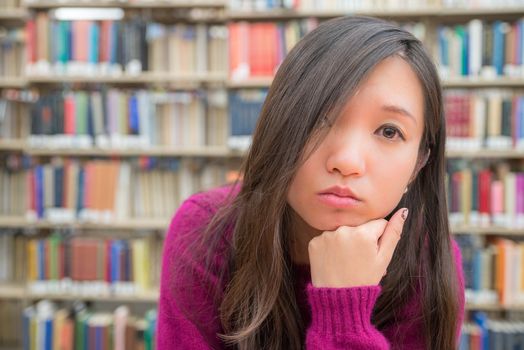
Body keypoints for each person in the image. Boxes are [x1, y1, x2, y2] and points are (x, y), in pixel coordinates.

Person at [157, 15, 465, 350]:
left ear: (419, 162)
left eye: (389, 131)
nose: (346, 162)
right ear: (281, 125)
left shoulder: (428, 262)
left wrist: (344, 310)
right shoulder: (205, 232)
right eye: (320, 119)